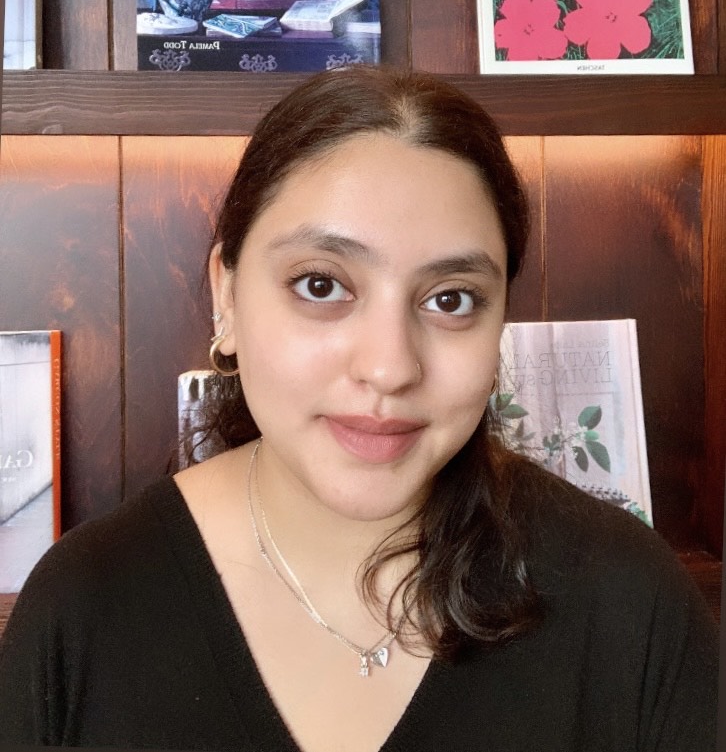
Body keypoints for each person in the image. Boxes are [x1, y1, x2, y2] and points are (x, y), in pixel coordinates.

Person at [0, 65, 718, 751]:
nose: (389, 366)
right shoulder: (85, 608)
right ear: (226, 294)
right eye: (321, 285)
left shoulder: (627, 602)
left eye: (451, 299)